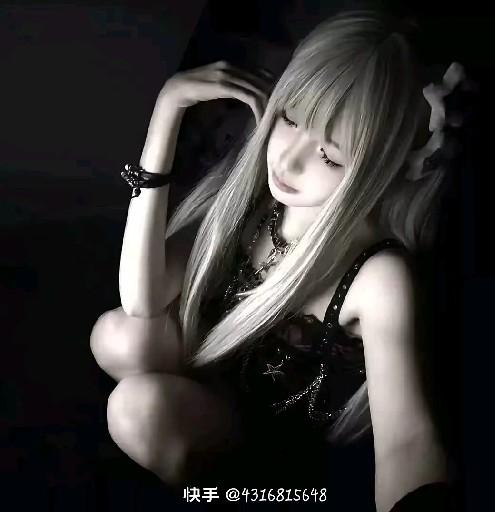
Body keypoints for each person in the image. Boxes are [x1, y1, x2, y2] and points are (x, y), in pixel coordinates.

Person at [90, 8, 474, 511]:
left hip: (281, 464)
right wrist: (168, 110)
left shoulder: (378, 277)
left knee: (136, 409)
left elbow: (407, 440)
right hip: (217, 392)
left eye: (330, 155)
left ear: (384, 164)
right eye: (290, 118)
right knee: (119, 335)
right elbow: (141, 300)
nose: (289, 160)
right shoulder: (258, 203)